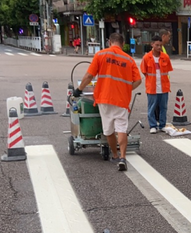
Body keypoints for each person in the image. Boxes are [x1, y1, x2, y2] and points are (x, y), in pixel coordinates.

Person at [72, 32, 142, 171]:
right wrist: (127, 89)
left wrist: (79, 89)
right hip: (121, 99)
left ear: (109, 42)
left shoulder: (101, 55)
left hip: (104, 98)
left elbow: (89, 75)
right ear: (122, 44)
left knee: (108, 130)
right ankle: (123, 157)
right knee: (121, 128)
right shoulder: (129, 60)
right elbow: (138, 80)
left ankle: (115, 155)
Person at [140, 35, 173, 134]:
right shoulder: (147, 57)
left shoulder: (165, 57)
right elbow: (144, 71)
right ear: (152, 44)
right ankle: (153, 125)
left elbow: (168, 70)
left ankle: (162, 125)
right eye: (157, 45)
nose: (159, 47)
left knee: (163, 107)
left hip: (164, 87)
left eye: (160, 45)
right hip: (152, 87)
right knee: (152, 107)